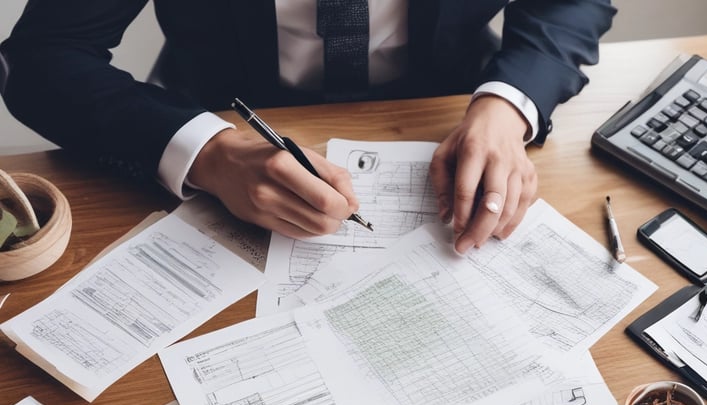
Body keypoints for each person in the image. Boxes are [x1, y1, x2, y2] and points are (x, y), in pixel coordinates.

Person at [0, 1, 615, 254]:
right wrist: (209, 152)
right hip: (219, 108)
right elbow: (41, 60)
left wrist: (508, 105)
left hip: (447, 95)